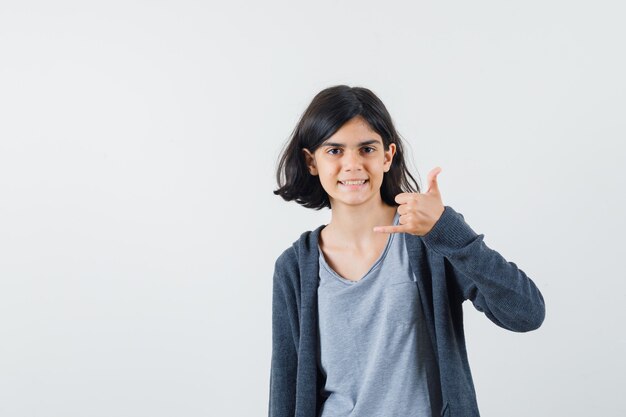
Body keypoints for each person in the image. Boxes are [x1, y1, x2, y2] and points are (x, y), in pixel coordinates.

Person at [269, 85, 546, 417]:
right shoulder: (294, 267)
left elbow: (526, 313)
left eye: (366, 149)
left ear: (387, 156)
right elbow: (285, 388)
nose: (352, 164)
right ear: (311, 161)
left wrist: (447, 230)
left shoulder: (430, 237)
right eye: (334, 151)